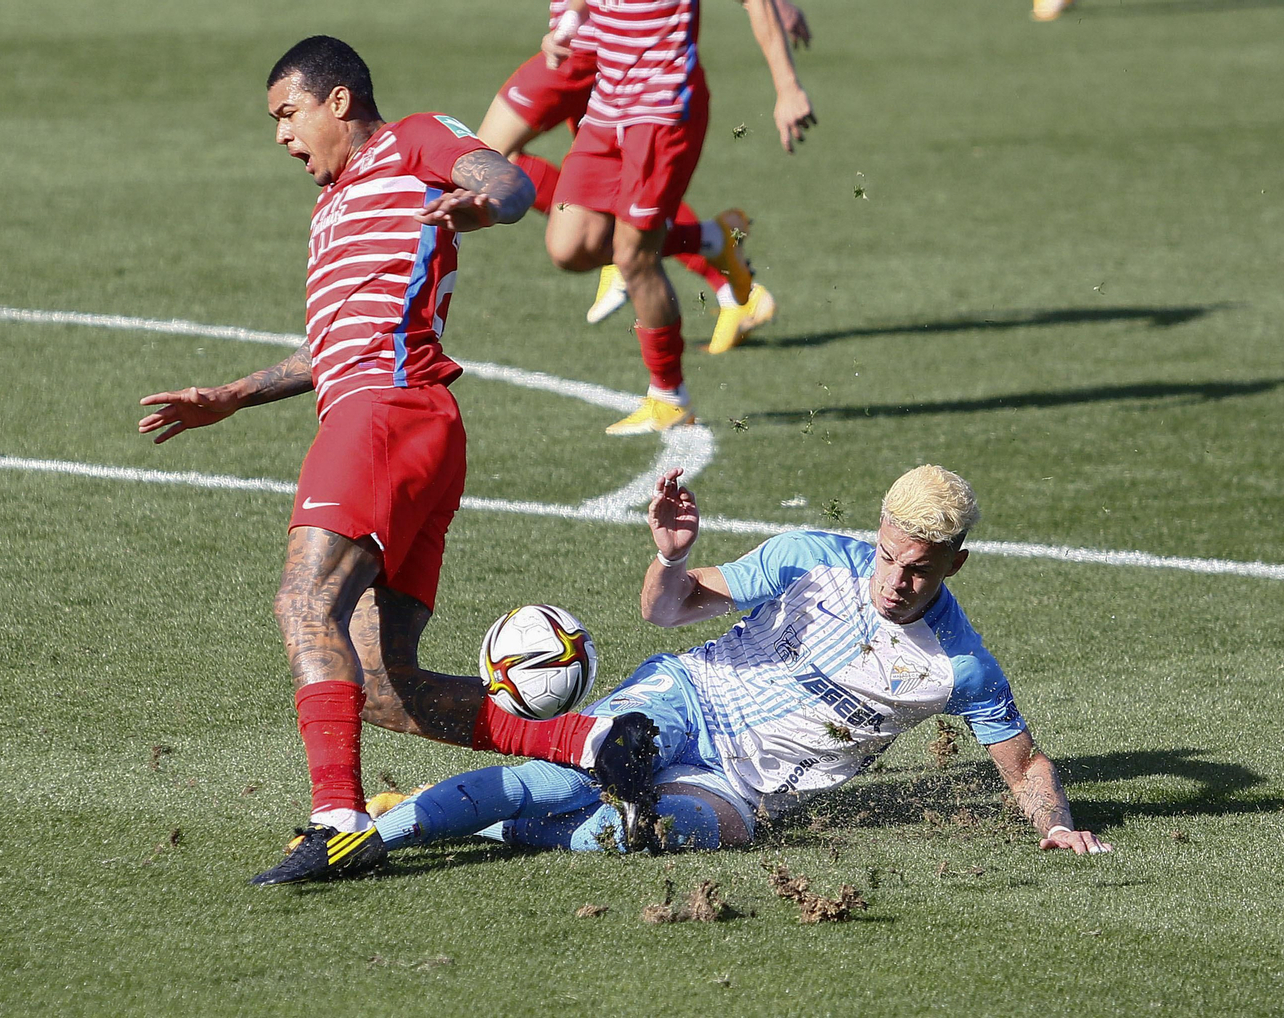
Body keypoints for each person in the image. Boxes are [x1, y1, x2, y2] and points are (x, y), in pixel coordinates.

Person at [137, 35, 659, 887]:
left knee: (305, 602)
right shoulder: (330, 210)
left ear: (339, 100)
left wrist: (482, 204)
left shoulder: (412, 140)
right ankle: (595, 742)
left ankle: (338, 822)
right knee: (382, 682)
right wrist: (231, 395)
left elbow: (512, 184)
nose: (281, 135)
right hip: (393, 422)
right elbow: (333, 344)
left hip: (388, 416)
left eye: (288, 114)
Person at [336, 465, 1113, 877]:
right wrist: (671, 557)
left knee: (634, 834)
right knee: (558, 781)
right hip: (688, 699)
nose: (895, 581)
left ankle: (471, 816)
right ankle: (370, 837)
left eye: (919, 569)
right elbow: (667, 610)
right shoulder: (809, 557)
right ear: (876, 531)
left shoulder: (960, 665)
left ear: (955, 564)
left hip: (744, 790)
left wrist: (1056, 826)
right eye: (887, 556)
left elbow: (1025, 765)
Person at [541, 0, 817, 435]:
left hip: (662, 109)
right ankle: (715, 239)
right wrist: (570, 23)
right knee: (570, 246)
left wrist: (788, 88)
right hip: (606, 105)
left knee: (634, 257)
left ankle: (669, 397)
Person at [476, 0, 811, 352]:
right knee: (609, 203)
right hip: (585, 45)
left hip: (596, 54)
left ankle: (711, 267)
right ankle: (712, 249)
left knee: (489, 156)